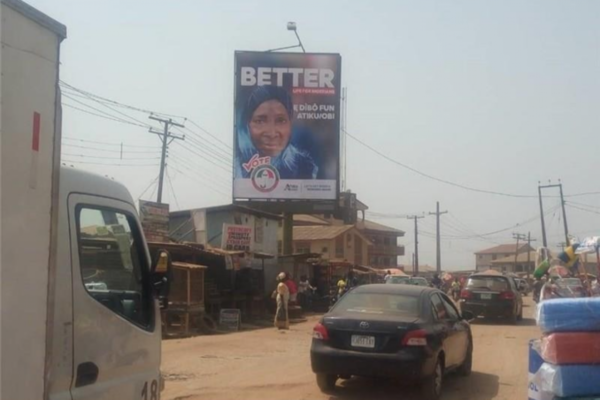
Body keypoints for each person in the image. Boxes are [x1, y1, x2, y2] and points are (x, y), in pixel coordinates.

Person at [236, 85, 318, 180]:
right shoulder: (237, 169)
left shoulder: (306, 168)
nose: (271, 134)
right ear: (248, 125)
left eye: (281, 121)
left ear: (290, 124)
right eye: (260, 121)